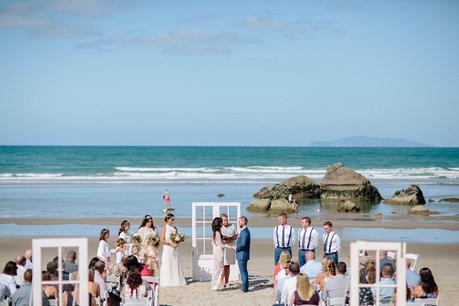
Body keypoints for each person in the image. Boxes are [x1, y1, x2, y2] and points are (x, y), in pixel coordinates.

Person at [159, 213, 186, 287]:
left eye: (173, 220)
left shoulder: (175, 228)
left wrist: (178, 242)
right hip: (167, 248)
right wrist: (170, 244)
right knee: (167, 262)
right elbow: (161, 240)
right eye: (171, 219)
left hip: (174, 248)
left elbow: (177, 238)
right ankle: (167, 280)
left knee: (174, 263)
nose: (172, 221)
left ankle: (176, 280)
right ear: (167, 219)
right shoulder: (165, 227)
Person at [211, 217, 234, 290]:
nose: (222, 223)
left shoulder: (215, 232)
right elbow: (221, 245)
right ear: (219, 223)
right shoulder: (217, 232)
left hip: (217, 251)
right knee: (218, 268)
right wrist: (231, 247)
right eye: (221, 222)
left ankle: (216, 284)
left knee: (217, 268)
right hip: (219, 252)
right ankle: (215, 285)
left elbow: (216, 243)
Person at [220, 213, 238, 287]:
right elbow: (220, 239)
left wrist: (230, 238)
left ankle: (226, 281)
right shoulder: (220, 228)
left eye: (227, 220)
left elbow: (236, 235)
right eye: (224, 220)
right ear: (221, 221)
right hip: (224, 247)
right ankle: (220, 280)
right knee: (224, 265)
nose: (226, 221)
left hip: (231, 247)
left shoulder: (232, 226)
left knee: (228, 266)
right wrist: (225, 240)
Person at [236, 216, 251, 293]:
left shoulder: (245, 231)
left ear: (243, 222)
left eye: (239, 221)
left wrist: (236, 248)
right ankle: (244, 286)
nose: (238, 223)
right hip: (242, 254)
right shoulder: (243, 230)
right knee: (243, 271)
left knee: (243, 271)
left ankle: (245, 288)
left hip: (242, 255)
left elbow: (243, 244)